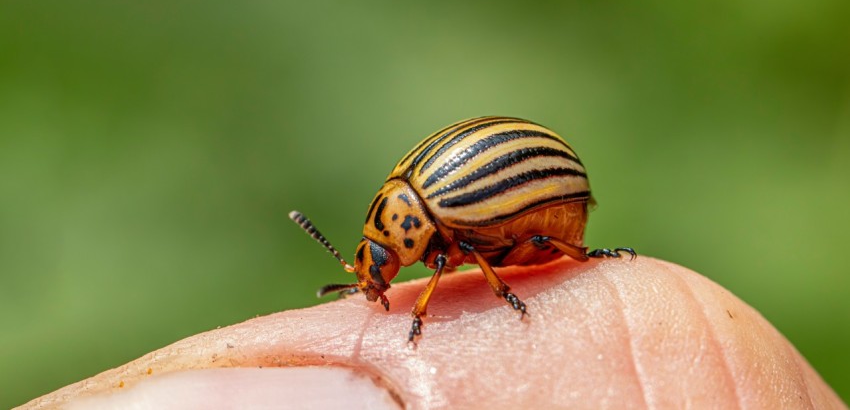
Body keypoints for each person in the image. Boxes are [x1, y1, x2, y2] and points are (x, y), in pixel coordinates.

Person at [21, 257, 844, 409]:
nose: (377, 278)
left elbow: (471, 259)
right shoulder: (426, 230)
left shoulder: (448, 240)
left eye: (382, 265)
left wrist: (418, 312)